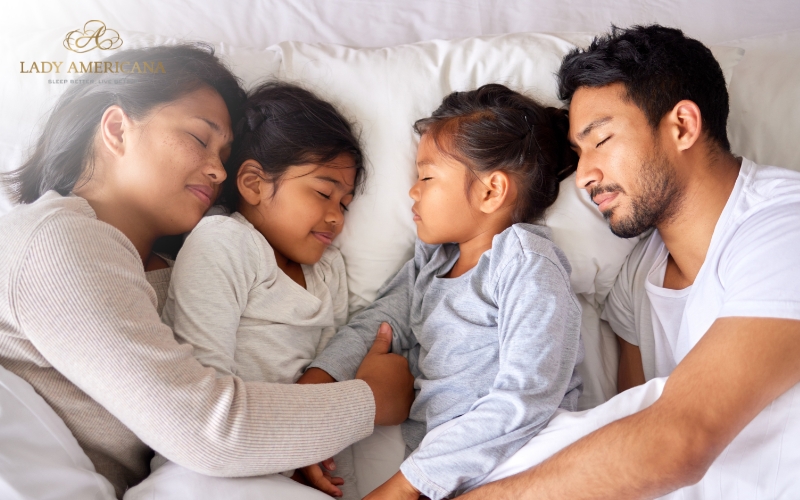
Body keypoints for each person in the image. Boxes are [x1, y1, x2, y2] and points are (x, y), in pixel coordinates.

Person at [0, 44, 414, 499]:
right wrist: (370, 402)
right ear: (117, 128)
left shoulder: (168, 272)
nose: (218, 170)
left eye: (225, 153)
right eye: (200, 138)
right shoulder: (55, 238)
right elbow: (206, 430)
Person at [459, 25, 800, 499]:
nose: (584, 177)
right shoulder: (637, 277)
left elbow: (676, 442)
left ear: (682, 126)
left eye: (600, 141)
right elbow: (626, 441)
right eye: (578, 155)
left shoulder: (785, 226)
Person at [299, 83, 585, 500]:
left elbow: (527, 396)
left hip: (527, 467)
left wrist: (403, 485)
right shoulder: (431, 265)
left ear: (491, 191)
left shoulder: (526, 263)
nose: (412, 191)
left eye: (427, 177)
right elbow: (377, 327)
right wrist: (313, 395)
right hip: (441, 482)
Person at [137, 81, 366, 500]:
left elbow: (334, 372)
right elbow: (203, 384)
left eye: (346, 204)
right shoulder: (225, 241)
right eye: (323, 193)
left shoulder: (329, 267)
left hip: (299, 463)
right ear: (254, 183)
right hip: (208, 466)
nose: (336, 218)